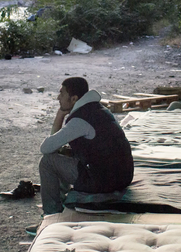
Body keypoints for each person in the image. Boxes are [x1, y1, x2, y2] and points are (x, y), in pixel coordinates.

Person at [37, 77, 134, 215]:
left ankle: (51, 215)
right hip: (122, 176)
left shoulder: (80, 120)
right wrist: (61, 114)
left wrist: (60, 115)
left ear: (74, 99)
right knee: (62, 153)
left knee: (48, 161)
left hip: (105, 181)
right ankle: (61, 204)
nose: (58, 98)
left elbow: (46, 148)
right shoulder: (98, 110)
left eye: (62, 93)